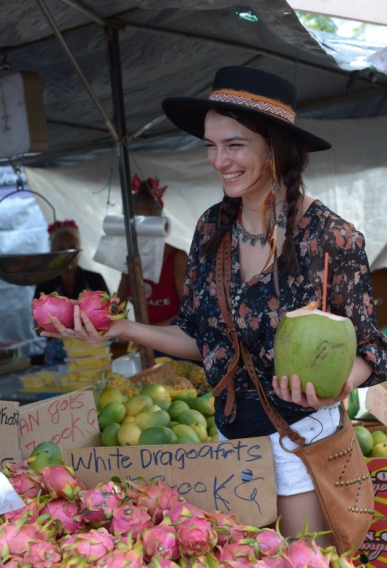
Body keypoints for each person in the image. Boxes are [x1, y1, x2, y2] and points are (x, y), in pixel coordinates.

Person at [40, 66, 387, 542]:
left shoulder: (330, 238)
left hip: (300, 443)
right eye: (210, 145)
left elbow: (370, 345)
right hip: (229, 448)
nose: (218, 160)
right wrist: (124, 330)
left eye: (235, 144)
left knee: (304, 557)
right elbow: (200, 337)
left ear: (275, 145)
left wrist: (340, 384)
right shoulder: (211, 230)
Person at [33, 219, 109, 365]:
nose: (68, 253)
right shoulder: (45, 284)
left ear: (79, 249)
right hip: (58, 357)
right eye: (62, 248)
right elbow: (38, 327)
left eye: (72, 247)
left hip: (94, 354)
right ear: (54, 252)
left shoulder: (94, 280)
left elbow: (110, 314)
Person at [117, 175, 188, 327]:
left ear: (159, 225)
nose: (140, 232)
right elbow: (117, 305)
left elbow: (190, 314)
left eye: (147, 225)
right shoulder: (130, 259)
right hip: (143, 345)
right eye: (134, 226)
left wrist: (146, 334)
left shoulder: (177, 259)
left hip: (176, 346)